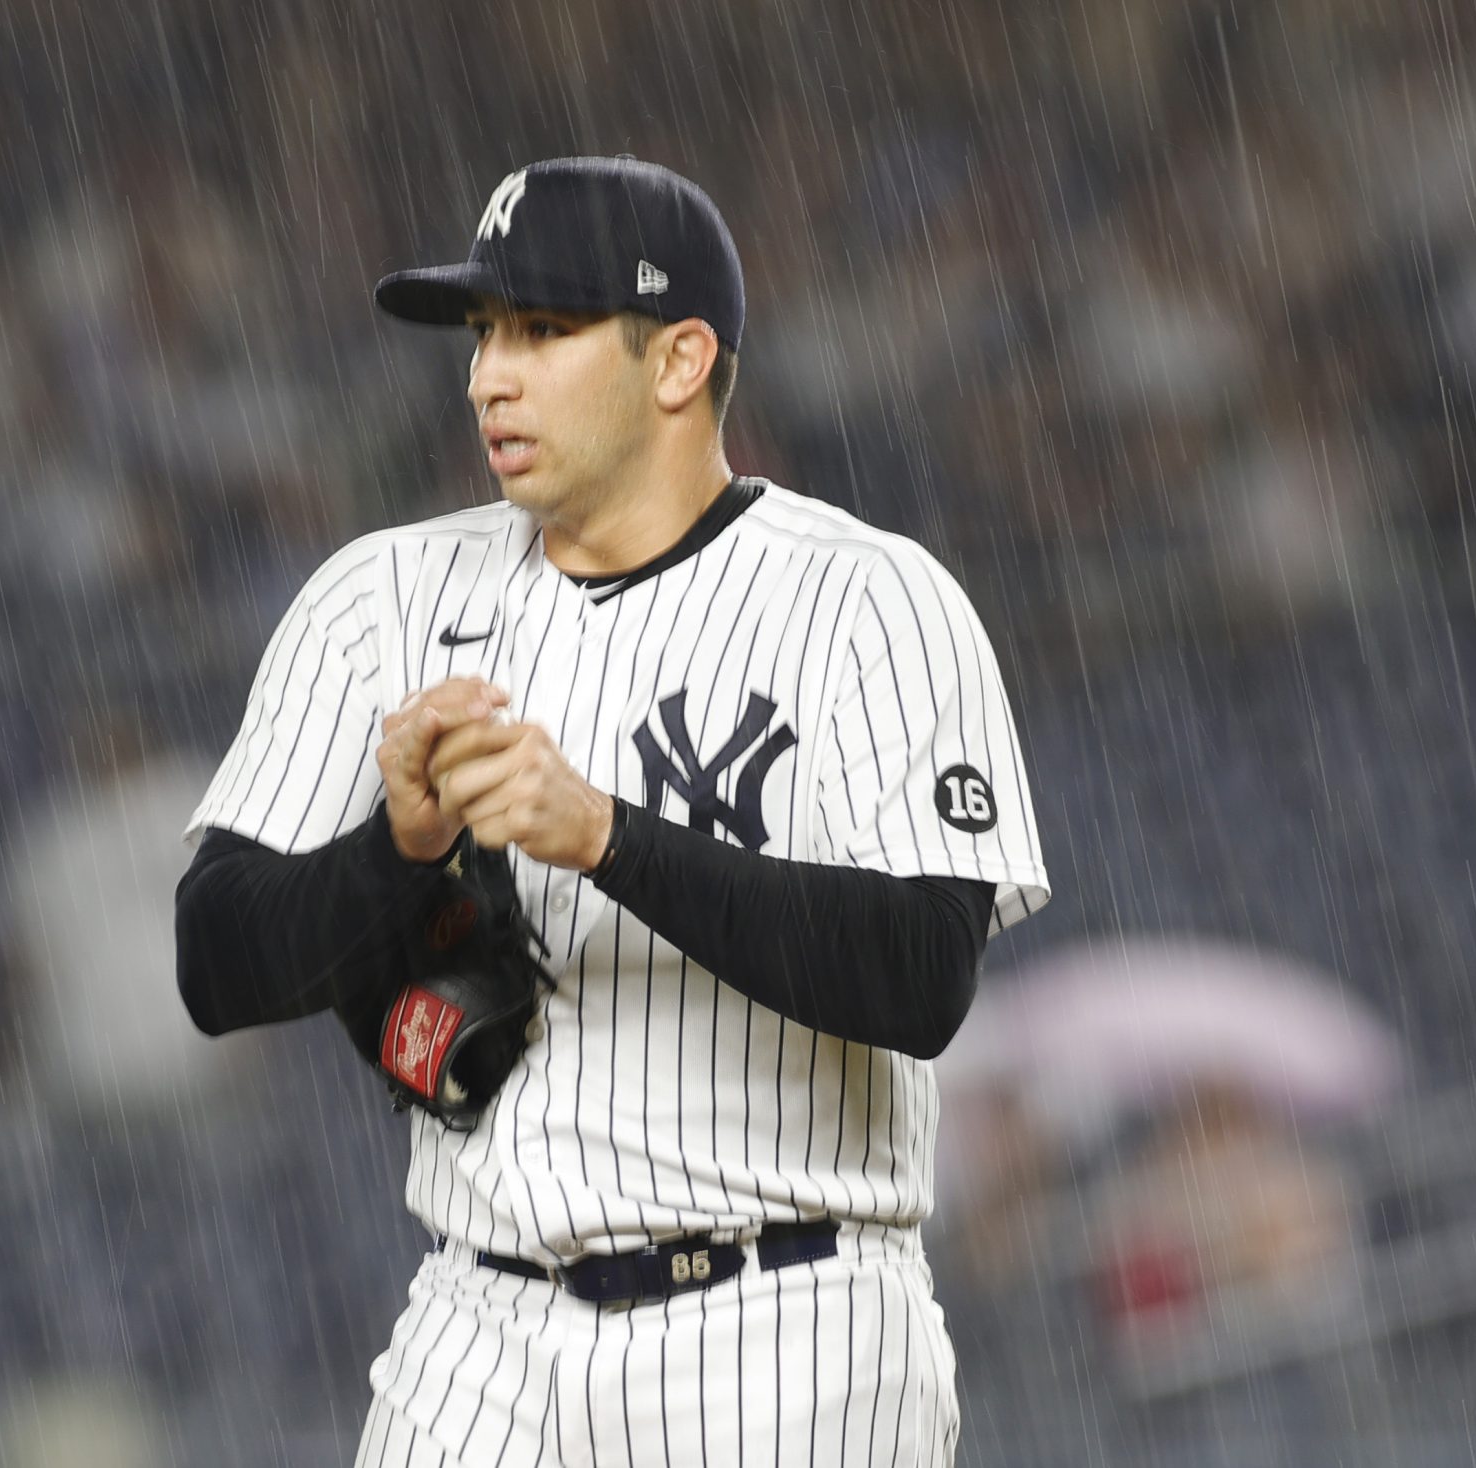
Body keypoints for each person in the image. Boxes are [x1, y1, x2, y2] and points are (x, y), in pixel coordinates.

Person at [173, 156, 1050, 1467]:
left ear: (681, 360)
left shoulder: (867, 601)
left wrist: (608, 839)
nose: (488, 377)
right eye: (481, 335)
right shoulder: (380, 598)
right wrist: (396, 849)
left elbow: (920, 975)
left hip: (786, 1326)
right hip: (479, 1324)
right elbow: (216, 964)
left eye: (543, 329)